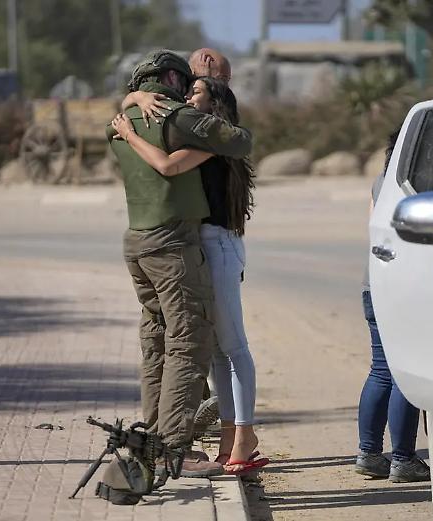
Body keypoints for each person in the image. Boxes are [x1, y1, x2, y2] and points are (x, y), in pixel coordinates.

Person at [105, 50, 252, 478]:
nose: (187, 89)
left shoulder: (123, 120)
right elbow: (240, 141)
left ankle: (151, 437)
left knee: (155, 343)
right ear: (170, 77)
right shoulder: (176, 118)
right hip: (172, 243)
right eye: (183, 81)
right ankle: (173, 449)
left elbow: (121, 122)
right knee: (188, 343)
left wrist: (131, 99)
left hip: (138, 243)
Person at [356, 130, 429, 482]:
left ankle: (369, 454)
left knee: (381, 370)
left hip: (375, 282)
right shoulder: (423, 180)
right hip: (405, 287)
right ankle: (403, 459)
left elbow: (373, 228)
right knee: (405, 374)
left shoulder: (382, 180)